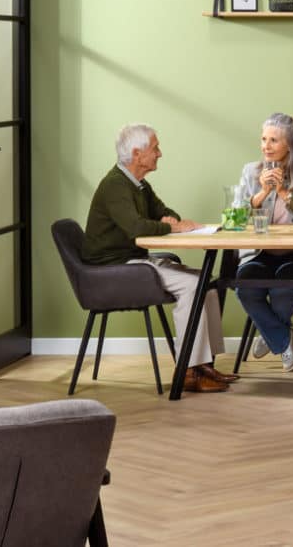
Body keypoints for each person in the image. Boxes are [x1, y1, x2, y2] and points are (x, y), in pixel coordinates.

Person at [82, 123, 237, 392]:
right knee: (192, 286)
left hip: (132, 262)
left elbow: (164, 212)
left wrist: (172, 221)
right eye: (155, 148)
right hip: (114, 270)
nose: (160, 153)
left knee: (207, 284)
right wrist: (172, 227)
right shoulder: (115, 186)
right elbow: (136, 227)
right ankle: (188, 371)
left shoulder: (139, 185)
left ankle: (204, 365)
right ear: (137, 153)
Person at [235, 113, 293, 372]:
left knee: (283, 289)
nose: (266, 146)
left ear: (290, 145)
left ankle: (270, 334)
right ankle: (283, 339)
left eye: (274, 140)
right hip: (259, 253)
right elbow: (236, 217)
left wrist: (284, 193)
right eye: (263, 139)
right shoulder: (251, 171)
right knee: (246, 286)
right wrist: (262, 192)